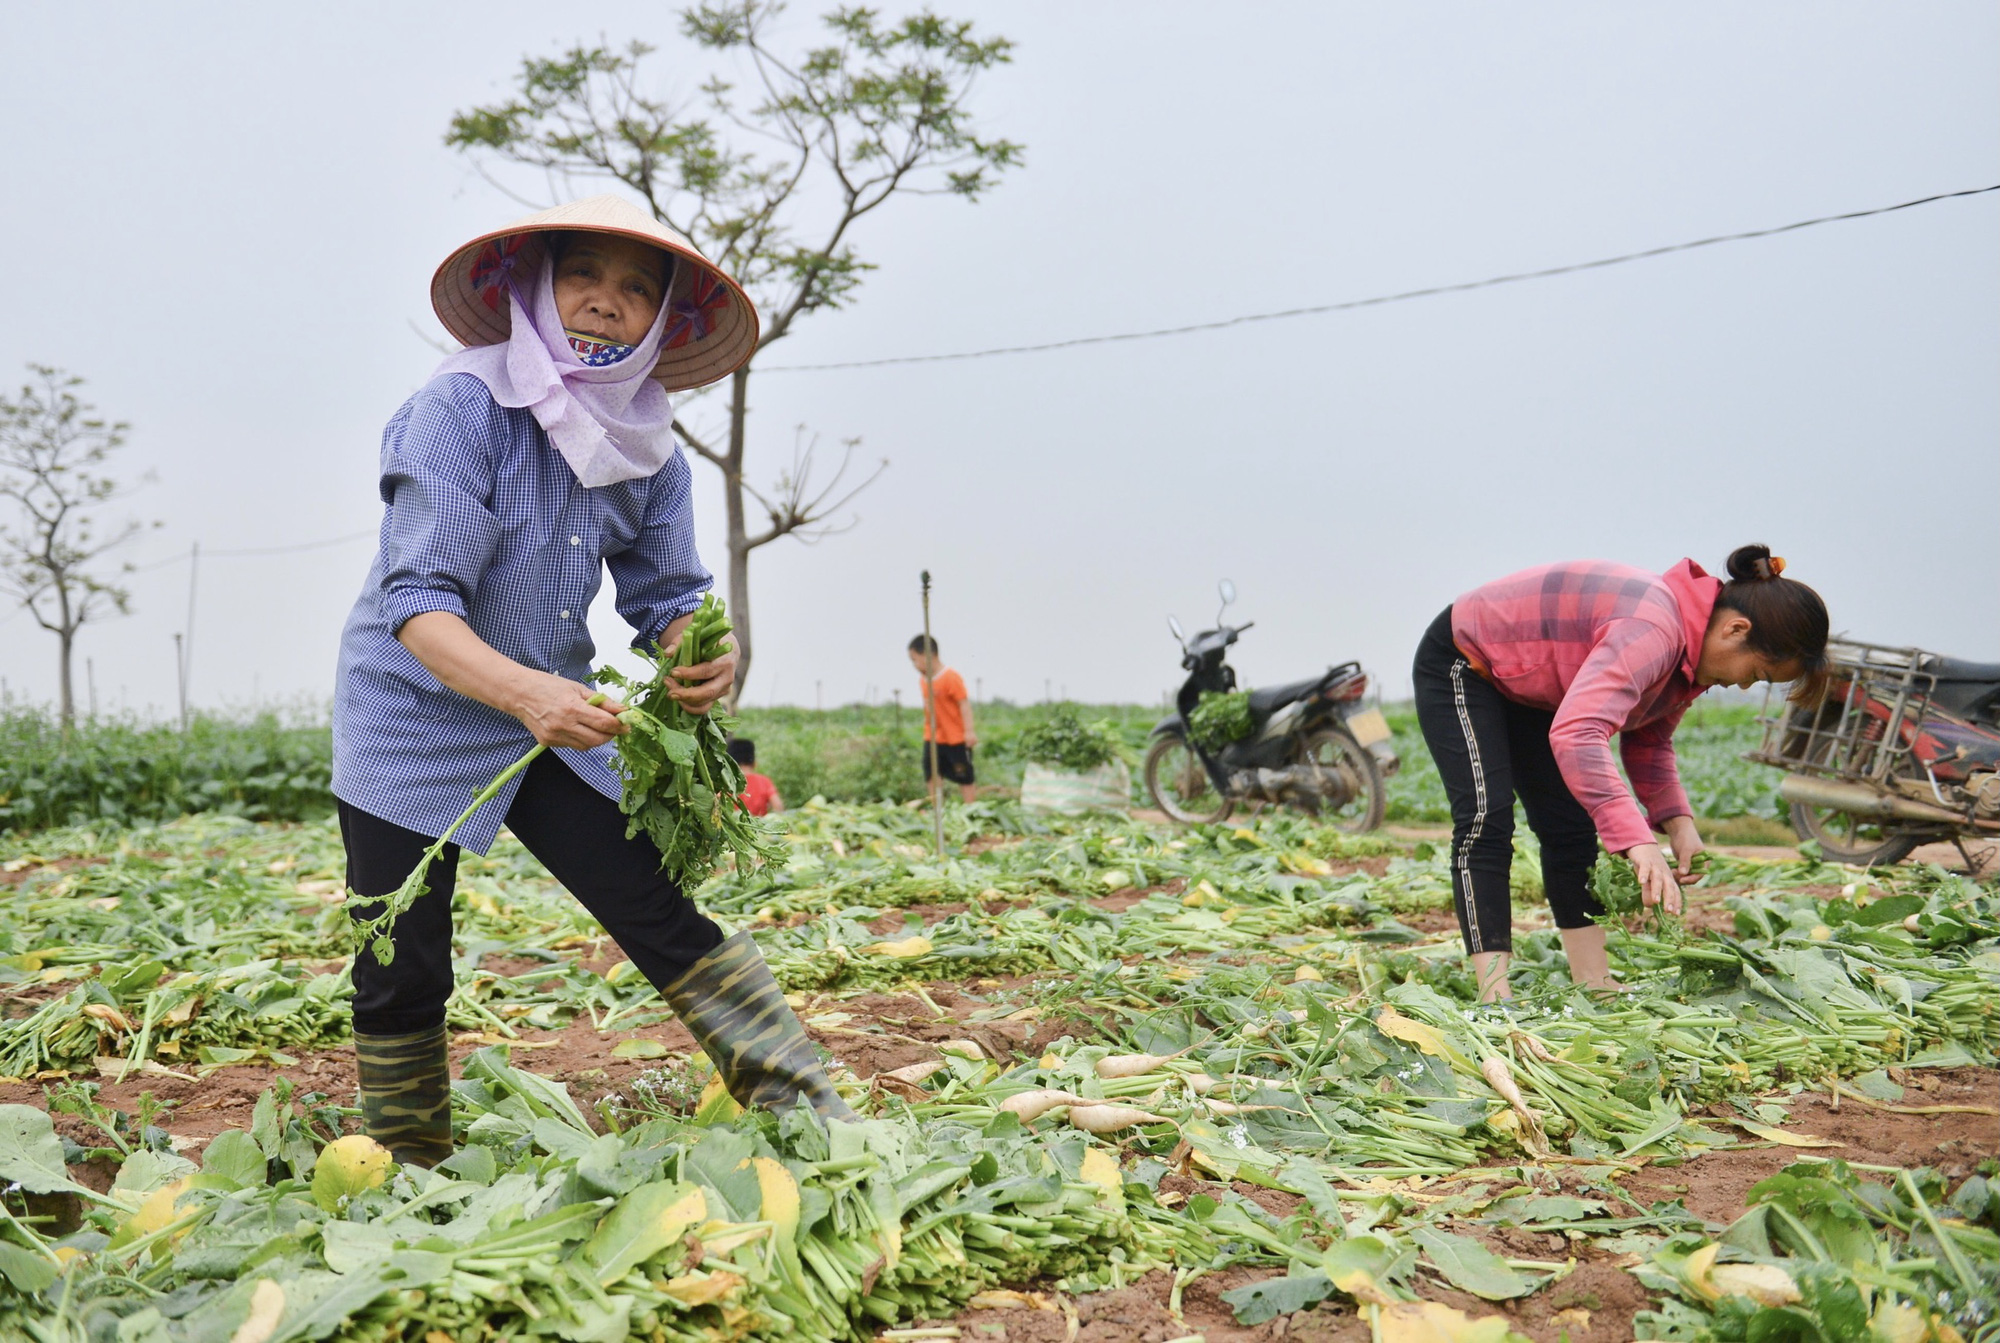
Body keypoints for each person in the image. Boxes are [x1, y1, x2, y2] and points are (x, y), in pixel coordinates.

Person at [332, 195, 852, 1166]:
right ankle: (408, 1165)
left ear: (659, 319)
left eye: (635, 289)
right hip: (411, 710)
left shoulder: (649, 445)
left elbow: (670, 593)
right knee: (401, 958)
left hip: (548, 718)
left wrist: (701, 652)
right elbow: (418, 604)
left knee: (650, 901)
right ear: (536, 287)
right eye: (584, 277)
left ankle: (807, 1107)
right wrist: (526, 692)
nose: (606, 303)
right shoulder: (459, 410)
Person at [1411, 545, 1829, 1003]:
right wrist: (1637, 841)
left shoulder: (1689, 665)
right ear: (1736, 629)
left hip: (1536, 687)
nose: (1746, 684)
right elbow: (1580, 732)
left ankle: (1595, 983)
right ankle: (1495, 997)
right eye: (1759, 671)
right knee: (1486, 818)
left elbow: (1649, 742)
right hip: (1467, 659)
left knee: (1570, 827)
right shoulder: (1652, 630)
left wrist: (1679, 824)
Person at [908, 635, 977, 803]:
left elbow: (964, 705)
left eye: (915, 660)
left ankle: (971, 808)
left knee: (963, 774)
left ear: (928, 655)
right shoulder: (924, 681)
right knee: (931, 772)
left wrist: (969, 731)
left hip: (955, 736)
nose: (914, 665)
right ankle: (937, 807)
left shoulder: (950, 677)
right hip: (933, 736)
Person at [727, 737, 783, 816]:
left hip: (732, 826)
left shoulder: (726, 783)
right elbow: (778, 807)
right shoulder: (764, 781)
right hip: (759, 826)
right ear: (753, 761)